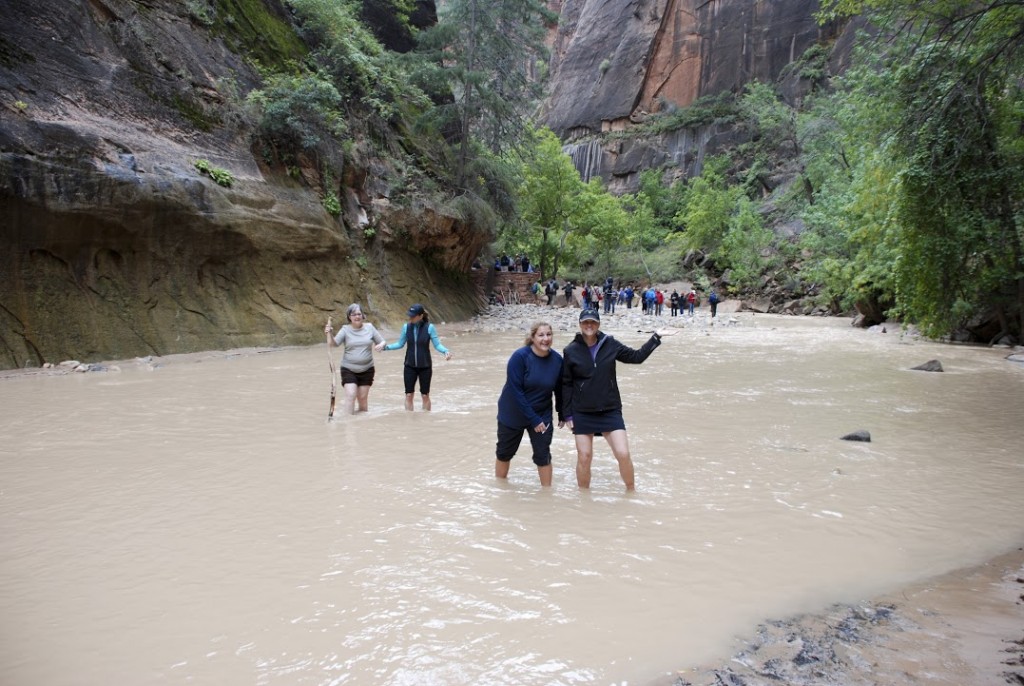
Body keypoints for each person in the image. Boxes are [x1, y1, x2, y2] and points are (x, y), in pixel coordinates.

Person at [561, 308, 670, 491]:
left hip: (609, 409)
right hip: (582, 411)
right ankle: (583, 497)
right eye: (586, 322)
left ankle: (631, 492)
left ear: (598, 324)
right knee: (584, 457)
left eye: (593, 322)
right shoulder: (571, 350)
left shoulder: (610, 344)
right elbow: (566, 383)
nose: (589, 325)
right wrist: (566, 414)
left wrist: (656, 337)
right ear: (580, 325)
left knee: (623, 453)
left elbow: (636, 357)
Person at [495, 322, 565, 486]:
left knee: (543, 454)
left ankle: (547, 496)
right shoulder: (520, 357)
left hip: (542, 413)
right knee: (505, 453)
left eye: (549, 334)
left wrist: (562, 411)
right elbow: (515, 391)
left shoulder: (557, 360)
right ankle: (500, 490)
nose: (545, 339)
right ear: (532, 337)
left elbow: (560, 389)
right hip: (512, 413)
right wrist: (533, 419)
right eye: (541, 335)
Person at [384, 303, 453, 411]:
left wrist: (445, 351)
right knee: (408, 395)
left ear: (420, 316)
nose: (410, 317)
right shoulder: (406, 327)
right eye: (409, 315)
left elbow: (437, 345)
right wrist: (385, 347)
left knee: (425, 395)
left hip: (425, 366)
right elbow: (399, 344)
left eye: (413, 315)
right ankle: (409, 420)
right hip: (409, 366)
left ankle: (425, 421)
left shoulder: (429, 328)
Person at [324, 303, 386, 415]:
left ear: (363, 316)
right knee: (351, 394)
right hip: (349, 369)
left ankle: (361, 426)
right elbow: (334, 344)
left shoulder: (370, 327)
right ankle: (349, 425)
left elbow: (382, 341)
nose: (357, 316)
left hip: (367, 369)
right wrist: (330, 334)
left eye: (359, 314)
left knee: (362, 399)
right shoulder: (345, 329)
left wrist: (381, 345)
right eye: (353, 314)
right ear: (349, 317)